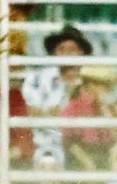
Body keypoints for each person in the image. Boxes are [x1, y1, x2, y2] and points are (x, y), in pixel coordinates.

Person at [22, 25, 92, 166]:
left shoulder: (89, 84)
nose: (67, 55)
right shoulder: (37, 78)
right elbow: (31, 112)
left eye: (72, 50)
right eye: (61, 49)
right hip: (38, 146)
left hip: (75, 147)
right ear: (54, 53)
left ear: (81, 53)